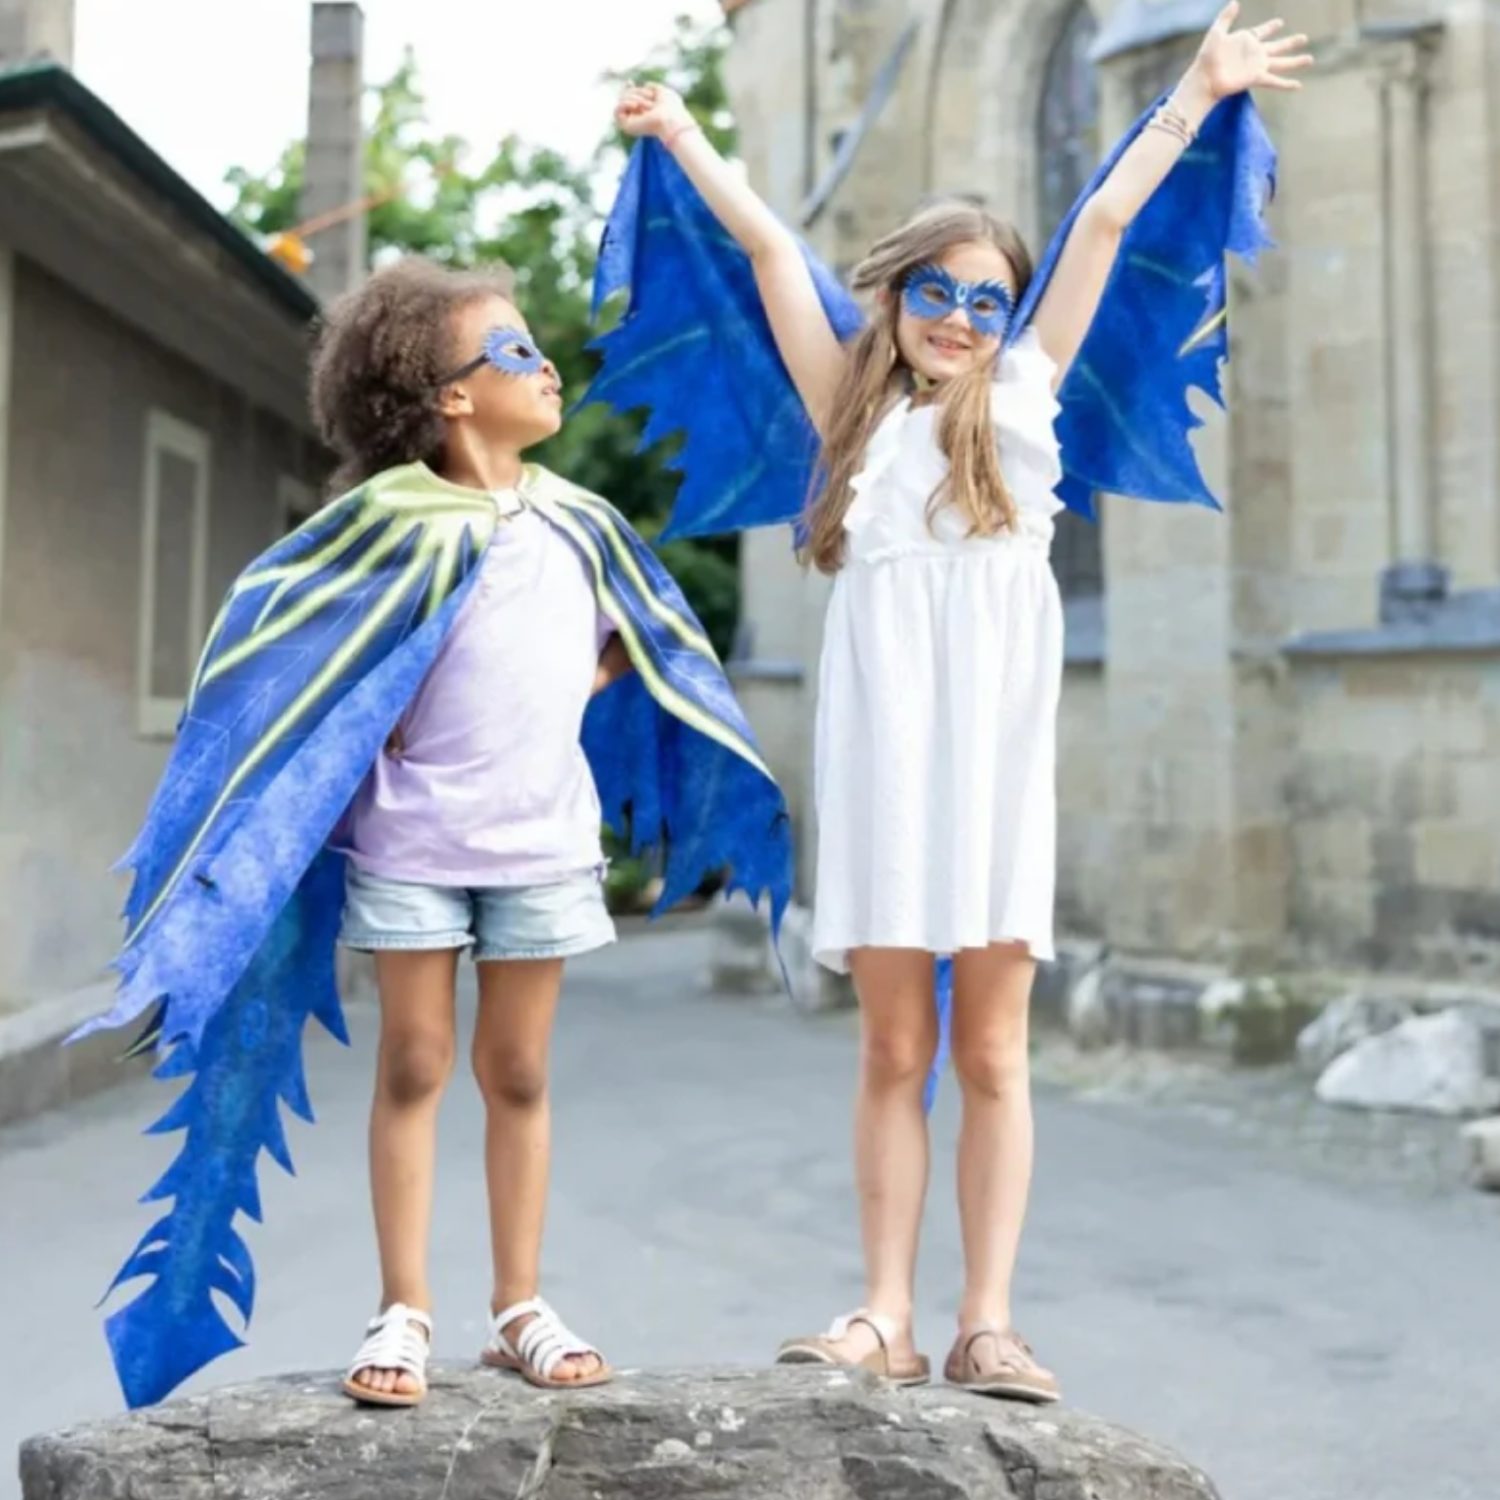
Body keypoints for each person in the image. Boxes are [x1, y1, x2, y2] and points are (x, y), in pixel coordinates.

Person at [612, 1, 1310, 1400]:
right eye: (936, 290)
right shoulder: (850, 414)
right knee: (892, 1043)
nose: (961, 318)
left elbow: (1103, 222)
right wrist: (679, 129)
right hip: (883, 753)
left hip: (990, 757)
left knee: (991, 1048)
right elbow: (769, 247)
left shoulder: (1033, 392)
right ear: (894, 297)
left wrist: (1195, 87)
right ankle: (885, 1312)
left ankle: (990, 1319)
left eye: (988, 299)